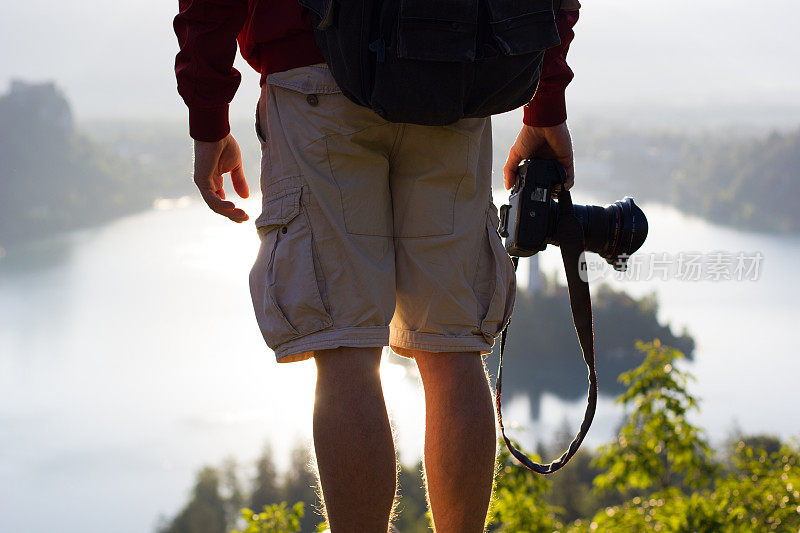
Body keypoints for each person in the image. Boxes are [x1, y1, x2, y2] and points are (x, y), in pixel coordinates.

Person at [174, 1, 579, 531]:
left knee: (345, 348)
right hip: (450, 75)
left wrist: (208, 118)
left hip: (315, 73)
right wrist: (545, 103)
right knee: (453, 347)